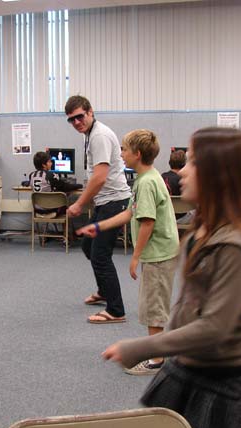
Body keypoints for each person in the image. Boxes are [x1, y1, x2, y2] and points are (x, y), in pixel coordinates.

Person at [102, 127, 241, 428]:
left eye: (192, 162)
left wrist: (142, 347)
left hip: (221, 372)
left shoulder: (235, 247)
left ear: (217, 175)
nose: (181, 171)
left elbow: (215, 328)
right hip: (191, 361)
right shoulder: (204, 231)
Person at [78, 129, 179, 375]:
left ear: (138, 154)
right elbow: (129, 213)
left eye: (124, 149)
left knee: (153, 307)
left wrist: (135, 257)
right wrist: (99, 226)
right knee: (152, 304)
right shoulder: (146, 178)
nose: (120, 154)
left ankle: (157, 360)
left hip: (158, 254)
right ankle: (157, 353)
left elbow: (147, 222)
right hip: (159, 252)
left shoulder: (146, 182)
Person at [64, 95, 132, 324]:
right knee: (88, 246)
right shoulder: (90, 134)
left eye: (79, 117)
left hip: (114, 202)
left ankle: (116, 310)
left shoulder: (99, 136)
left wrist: (79, 204)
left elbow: (100, 177)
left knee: (100, 256)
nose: (76, 122)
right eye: (71, 120)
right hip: (105, 202)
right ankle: (104, 291)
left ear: (90, 112)